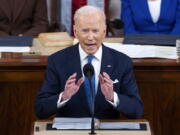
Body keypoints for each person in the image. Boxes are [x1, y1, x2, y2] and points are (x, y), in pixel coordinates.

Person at [35, 5, 143, 119]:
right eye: (85, 30)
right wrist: (64, 96)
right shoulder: (57, 60)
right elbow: (40, 109)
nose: (90, 37)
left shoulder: (122, 61)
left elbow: (137, 110)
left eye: (95, 31)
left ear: (104, 32)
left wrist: (112, 97)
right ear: (76, 32)